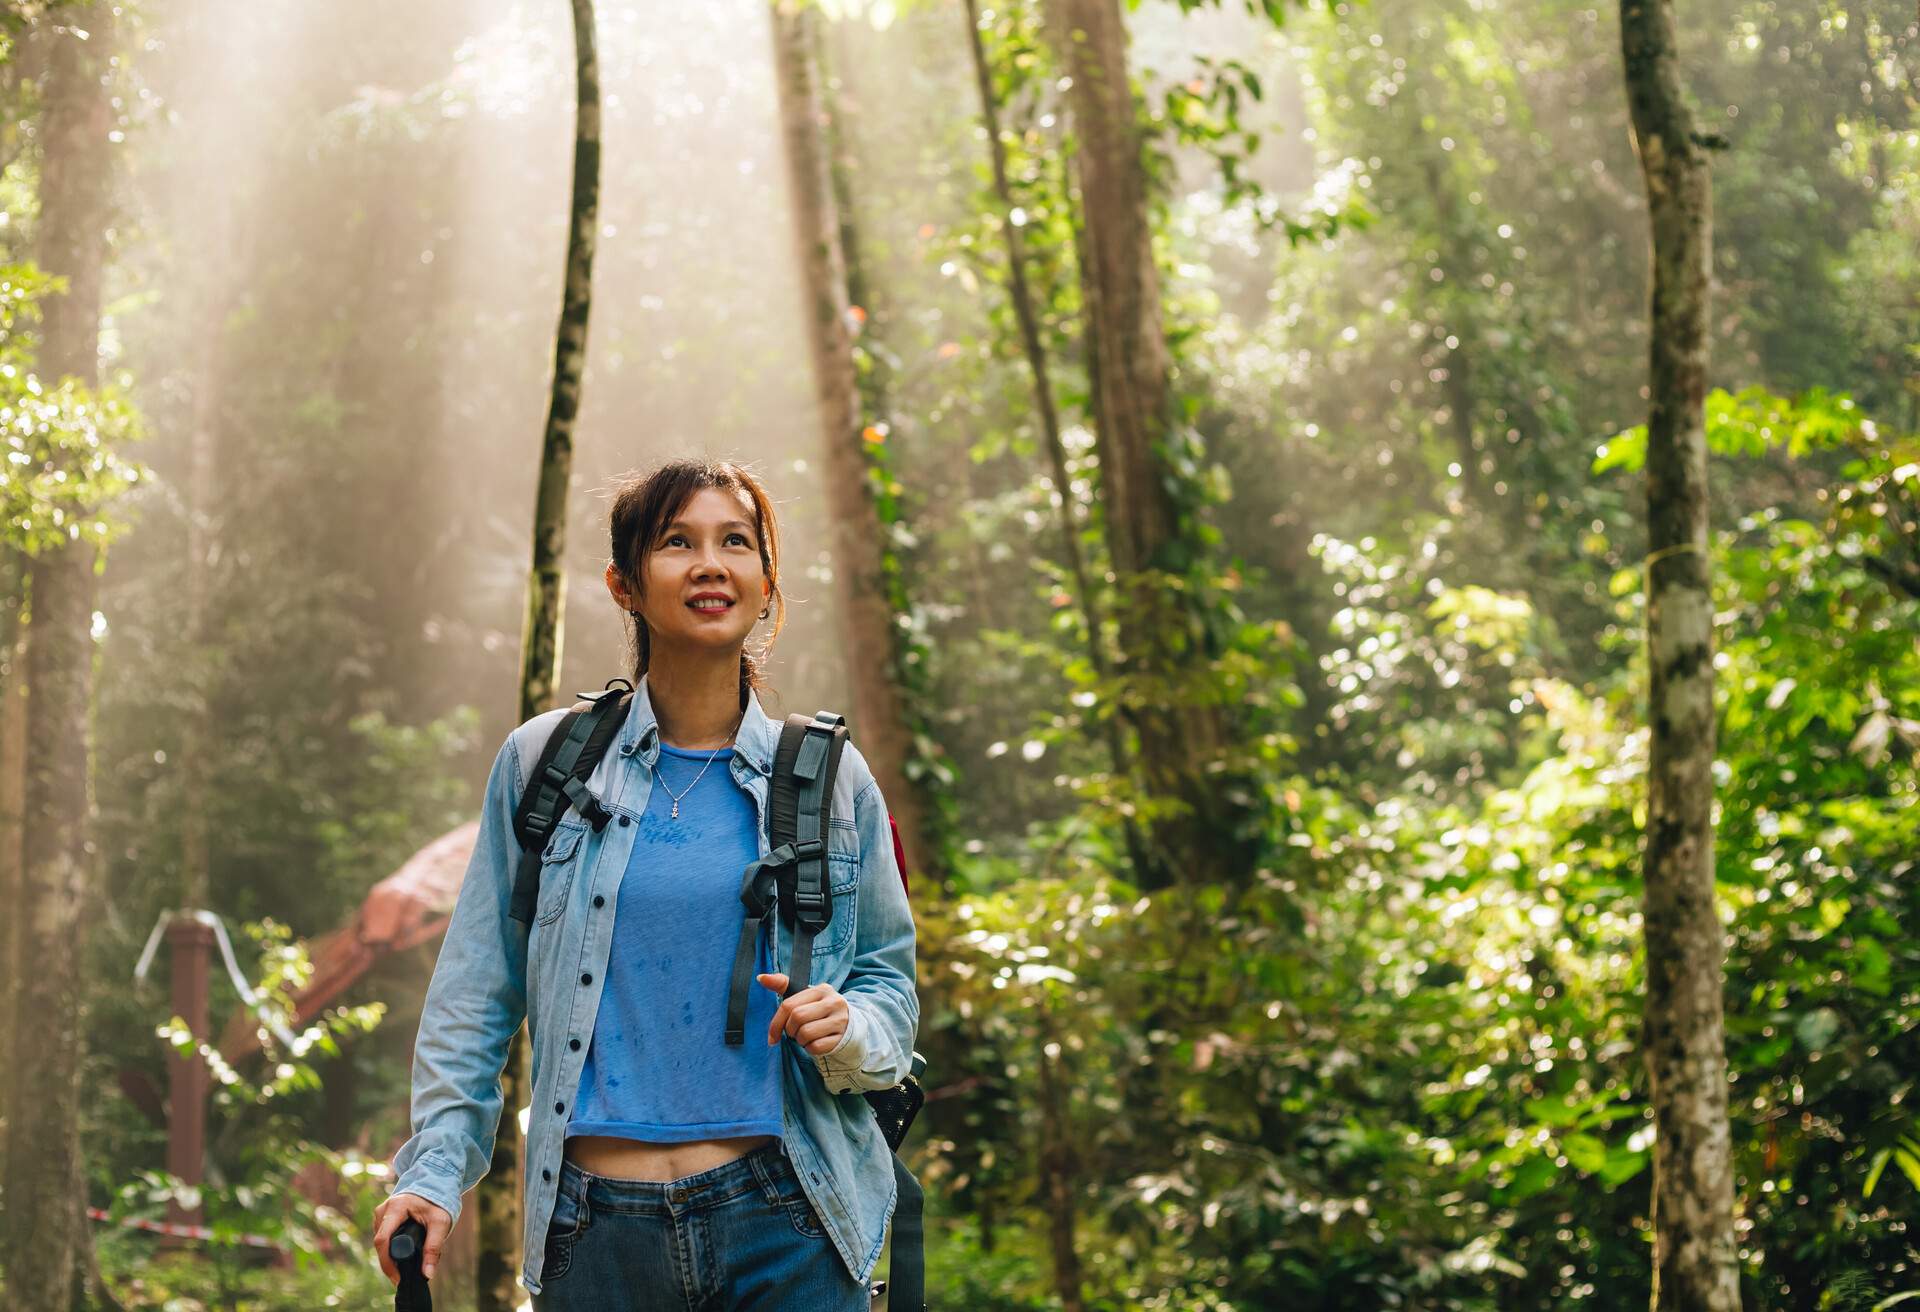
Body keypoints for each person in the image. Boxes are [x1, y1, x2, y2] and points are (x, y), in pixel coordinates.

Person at [371, 457, 919, 1310]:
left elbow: (891, 986)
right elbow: (477, 990)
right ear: (625, 584)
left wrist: (850, 1024)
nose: (710, 563)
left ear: (766, 581)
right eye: (677, 542)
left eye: (735, 542)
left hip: (790, 1217)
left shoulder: (829, 780)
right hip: (595, 1234)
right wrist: (436, 1172)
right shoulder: (544, 764)